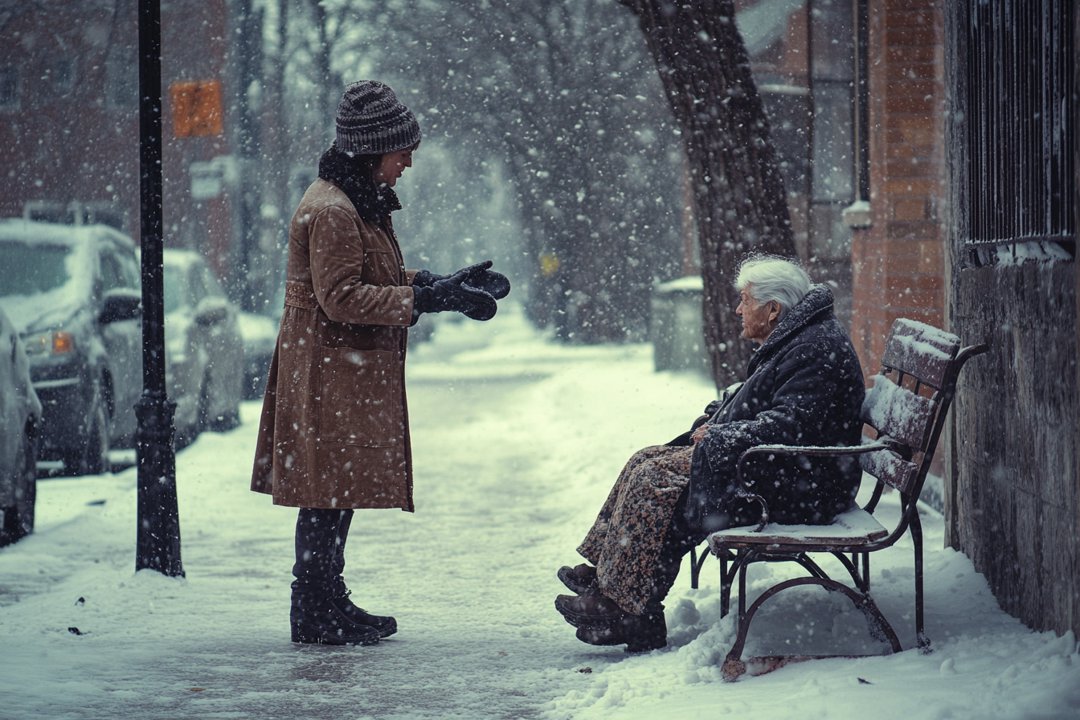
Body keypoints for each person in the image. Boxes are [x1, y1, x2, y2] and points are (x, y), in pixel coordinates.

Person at [251, 80, 510, 646]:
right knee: (326, 490)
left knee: (337, 487)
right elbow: (340, 296)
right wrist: (426, 300)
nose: (409, 162)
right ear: (373, 148)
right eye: (402, 151)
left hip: (339, 369)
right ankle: (314, 607)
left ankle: (326, 598)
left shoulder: (355, 202)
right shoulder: (334, 210)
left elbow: (374, 279)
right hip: (326, 371)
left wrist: (439, 283)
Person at [554, 255, 864, 652]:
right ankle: (610, 579)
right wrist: (723, 418)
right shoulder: (799, 335)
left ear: (773, 309)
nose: (738, 309)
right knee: (645, 460)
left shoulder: (812, 347)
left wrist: (722, 435)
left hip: (801, 486)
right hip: (782, 470)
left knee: (658, 483)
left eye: (746, 300)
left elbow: (791, 425)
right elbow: (773, 404)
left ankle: (627, 608)